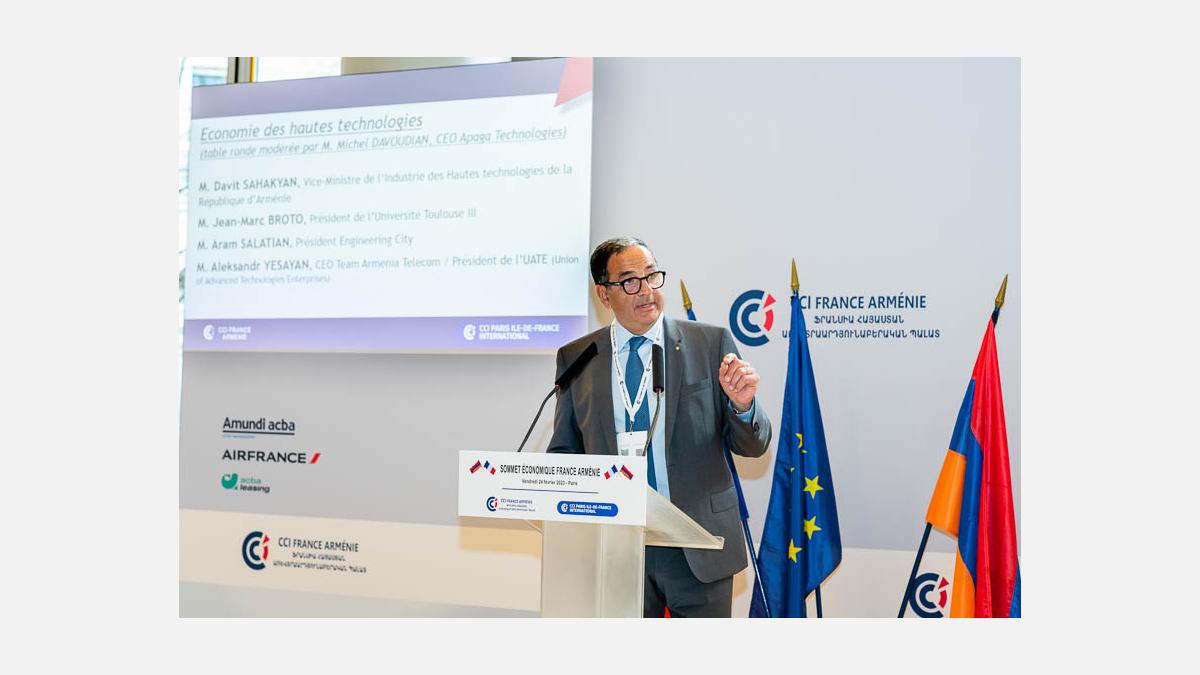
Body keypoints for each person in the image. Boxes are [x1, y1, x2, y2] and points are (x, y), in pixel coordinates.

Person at [547, 236, 772, 617]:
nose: (646, 290)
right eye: (629, 281)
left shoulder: (709, 343)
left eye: (652, 276)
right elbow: (565, 451)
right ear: (604, 294)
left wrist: (743, 405)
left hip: (698, 545)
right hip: (618, 547)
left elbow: (753, 446)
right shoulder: (577, 358)